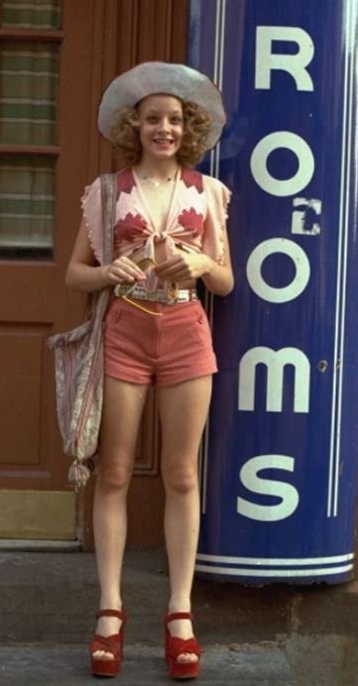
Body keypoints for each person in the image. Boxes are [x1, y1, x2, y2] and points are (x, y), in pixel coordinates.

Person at [65, 62, 233, 680]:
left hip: (187, 331)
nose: (163, 127)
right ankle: (109, 612)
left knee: (183, 474)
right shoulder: (106, 191)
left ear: (187, 128)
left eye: (174, 119)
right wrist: (108, 273)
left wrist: (196, 264)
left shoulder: (208, 194)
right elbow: (74, 273)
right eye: (152, 117)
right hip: (125, 332)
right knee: (113, 471)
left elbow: (226, 278)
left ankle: (180, 614)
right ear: (134, 125)